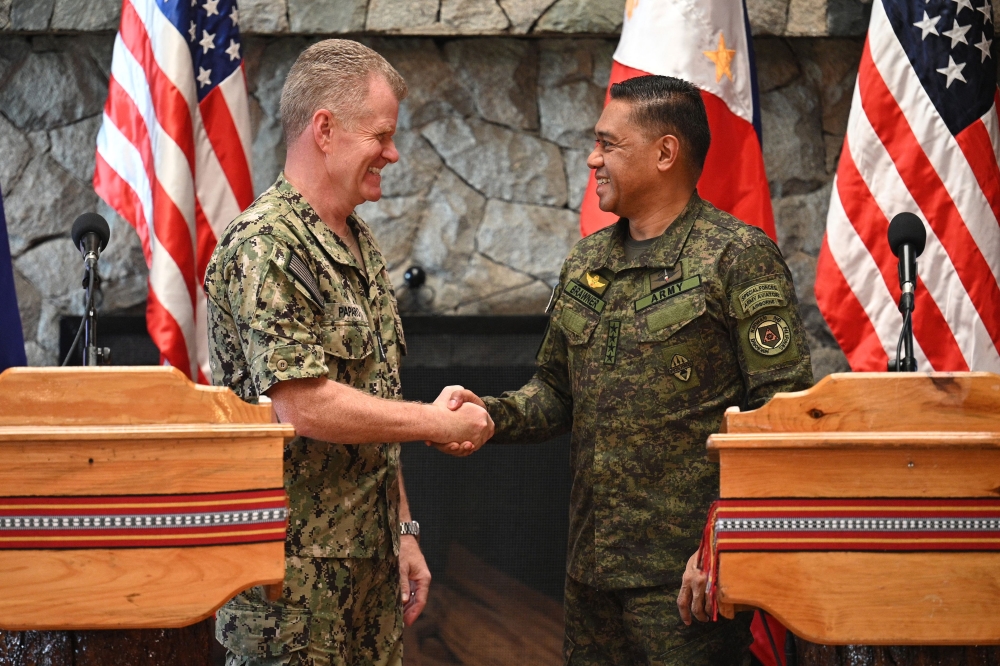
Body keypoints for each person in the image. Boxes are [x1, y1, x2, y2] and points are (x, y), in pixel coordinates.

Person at [437, 75, 813, 665]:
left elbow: (782, 413)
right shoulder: (588, 260)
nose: (593, 159)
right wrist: (489, 416)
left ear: (666, 153)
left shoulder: (736, 256)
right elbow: (556, 392)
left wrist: (725, 541)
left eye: (608, 144)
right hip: (592, 570)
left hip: (687, 578)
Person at [204, 39, 493, 666]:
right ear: (326, 129)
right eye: (381, 135)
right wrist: (437, 423)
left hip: (369, 569)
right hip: (289, 582)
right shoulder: (267, 246)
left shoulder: (359, 242)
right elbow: (303, 406)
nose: (392, 152)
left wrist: (405, 531)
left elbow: (371, 405)